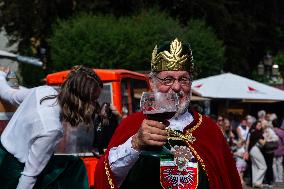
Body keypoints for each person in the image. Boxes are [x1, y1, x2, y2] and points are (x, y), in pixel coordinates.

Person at [94, 38, 242, 189]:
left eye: (183, 79)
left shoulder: (209, 130)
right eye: (168, 79)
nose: (177, 87)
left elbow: (228, 181)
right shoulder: (132, 124)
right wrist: (135, 143)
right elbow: (108, 175)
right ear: (152, 82)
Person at [0, 65, 103, 189]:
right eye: (94, 100)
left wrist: (1, 75)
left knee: (72, 164)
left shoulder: (43, 91)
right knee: (75, 169)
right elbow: (29, 176)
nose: (96, 106)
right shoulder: (52, 129)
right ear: (81, 101)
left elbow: (10, 96)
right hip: (12, 175)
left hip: (3, 154)